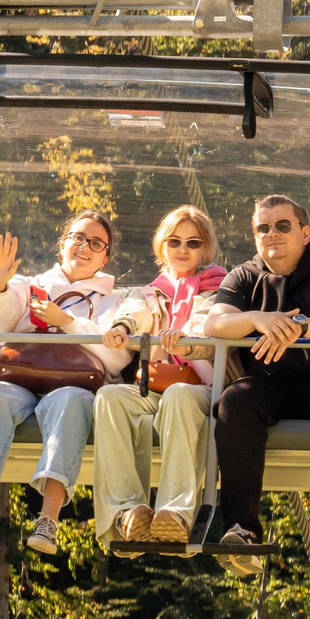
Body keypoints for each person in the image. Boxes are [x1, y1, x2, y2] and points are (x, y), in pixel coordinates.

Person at [201, 195, 310, 579]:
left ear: (304, 232)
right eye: (263, 228)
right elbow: (215, 324)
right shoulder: (244, 277)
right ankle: (241, 528)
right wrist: (260, 318)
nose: (272, 235)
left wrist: (299, 328)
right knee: (235, 400)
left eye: (282, 226)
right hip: (274, 382)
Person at [0, 209, 130, 555]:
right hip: (20, 378)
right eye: (77, 237)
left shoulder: (115, 301)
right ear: (62, 244)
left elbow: (118, 356)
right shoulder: (30, 285)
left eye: (96, 243)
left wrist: (68, 323)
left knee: (71, 404)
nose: (84, 247)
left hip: (77, 384)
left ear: (106, 256)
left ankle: (48, 518)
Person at [93, 205, 227, 544]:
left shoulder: (219, 289)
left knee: (180, 395)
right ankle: (127, 511)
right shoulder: (154, 292)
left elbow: (209, 324)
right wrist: (123, 326)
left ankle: (176, 513)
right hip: (157, 386)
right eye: (174, 241)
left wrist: (187, 342)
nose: (183, 250)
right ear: (162, 247)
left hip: (201, 388)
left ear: (205, 248)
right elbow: (137, 310)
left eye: (193, 243)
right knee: (110, 397)